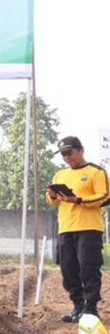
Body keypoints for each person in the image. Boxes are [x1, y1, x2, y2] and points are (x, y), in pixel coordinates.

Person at [46, 136, 110, 321]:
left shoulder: (96, 172)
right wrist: (52, 194)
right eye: (63, 154)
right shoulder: (60, 175)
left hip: (89, 228)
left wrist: (78, 200)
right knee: (68, 269)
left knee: (88, 267)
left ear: (81, 150)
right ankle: (78, 306)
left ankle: (90, 308)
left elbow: (104, 196)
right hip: (66, 228)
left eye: (69, 152)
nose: (66, 157)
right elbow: (52, 201)